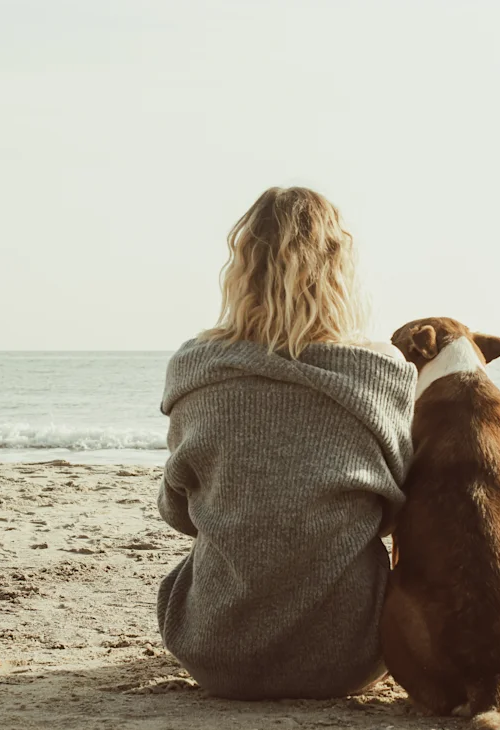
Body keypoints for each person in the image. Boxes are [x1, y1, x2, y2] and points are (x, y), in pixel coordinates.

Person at [155, 186, 415, 699]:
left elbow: (178, 511)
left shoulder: (195, 369)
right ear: (340, 268)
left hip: (217, 655)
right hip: (352, 656)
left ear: (242, 267)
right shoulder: (381, 372)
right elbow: (393, 511)